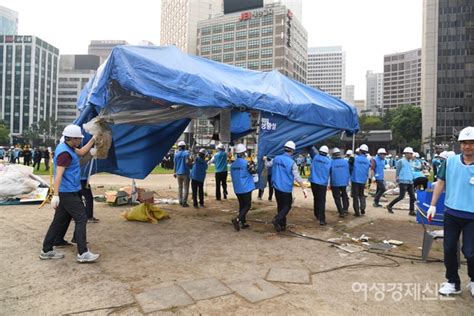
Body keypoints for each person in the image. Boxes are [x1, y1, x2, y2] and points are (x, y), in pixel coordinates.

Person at [39, 124, 99, 263]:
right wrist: (55, 195)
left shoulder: (69, 148)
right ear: (72, 138)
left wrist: (93, 140)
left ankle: (46, 250)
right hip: (68, 192)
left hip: (70, 190)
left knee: (59, 220)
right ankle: (83, 253)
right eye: (78, 139)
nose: (80, 141)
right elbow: (58, 175)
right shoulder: (65, 153)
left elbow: (82, 152)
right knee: (81, 218)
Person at [428, 126, 474, 296]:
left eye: (471, 143)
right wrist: (433, 205)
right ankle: (453, 282)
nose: (468, 146)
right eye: (464, 143)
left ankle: (473, 280)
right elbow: (440, 182)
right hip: (452, 214)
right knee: (448, 250)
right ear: (460, 145)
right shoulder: (450, 162)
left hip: (472, 216)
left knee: (470, 252)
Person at [264, 141, 307, 232]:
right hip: (286, 188)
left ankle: (281, 225)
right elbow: (297, 177)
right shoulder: (292, 163)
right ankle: (277, 219)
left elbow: (267, 165)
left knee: (280, 206)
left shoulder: (276, 158)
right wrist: (303, 188)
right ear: (292, 151)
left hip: (276, 187)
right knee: (287, 205)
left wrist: (264, 159)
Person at [230, 144, 256, 231]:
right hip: (246, 188)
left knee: (242, 205)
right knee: (247, 205)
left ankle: (243, 222)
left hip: (237, 188)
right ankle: (237, 219)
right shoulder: (247, 163)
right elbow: (253, 171)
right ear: (243, 153)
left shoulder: (233, 164)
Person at [386, 147, 416, 216]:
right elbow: (397, 171)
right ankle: (390, 205)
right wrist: (397, 179)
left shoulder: (410, 162)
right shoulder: (401, 161)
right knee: (401, 196)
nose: (411, 155)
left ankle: (411, 211)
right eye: (410, 154)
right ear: (406, 154)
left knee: (413, 197)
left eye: (411, 154)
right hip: (403, 181)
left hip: (410, 181)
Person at [309, 145, 331, 225]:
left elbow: (310, 148)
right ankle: (322, 219)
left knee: (316, 198)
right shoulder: (329, 161)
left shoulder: (315, 157)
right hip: (322, 184)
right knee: (322, 201)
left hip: (313, 182)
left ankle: (317, 214)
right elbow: (330, 173)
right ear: (327, 153)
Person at [350, 144, 370, 216]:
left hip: (355, 179)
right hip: (363, 180)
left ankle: (357, 212)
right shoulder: (368, 161)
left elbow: (350, 165)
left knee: (355, 196)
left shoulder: (355, 158)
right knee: (361, 194)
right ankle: (362, 208)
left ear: (360, 151)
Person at [330, 148, 350, 218]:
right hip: (343, 182)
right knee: (344, 195)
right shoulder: (345, 162)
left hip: (335, 183)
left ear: (333, 155)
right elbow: (348, 171)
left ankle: (341, 212)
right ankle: (345, 209)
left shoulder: (331, 162)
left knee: (337, 198)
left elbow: (328, 172)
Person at [173, 141, 191, 207]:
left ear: (179, 147)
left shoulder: (176, 154)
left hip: (178, 173)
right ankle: (184, 202)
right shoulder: (186, 154)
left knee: (180, 187)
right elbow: (187, 163)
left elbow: (175, 165)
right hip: (185, 173)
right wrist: (191, 164)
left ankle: (180, 201)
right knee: (186, 188)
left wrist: (174, 172)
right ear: (184, 147)